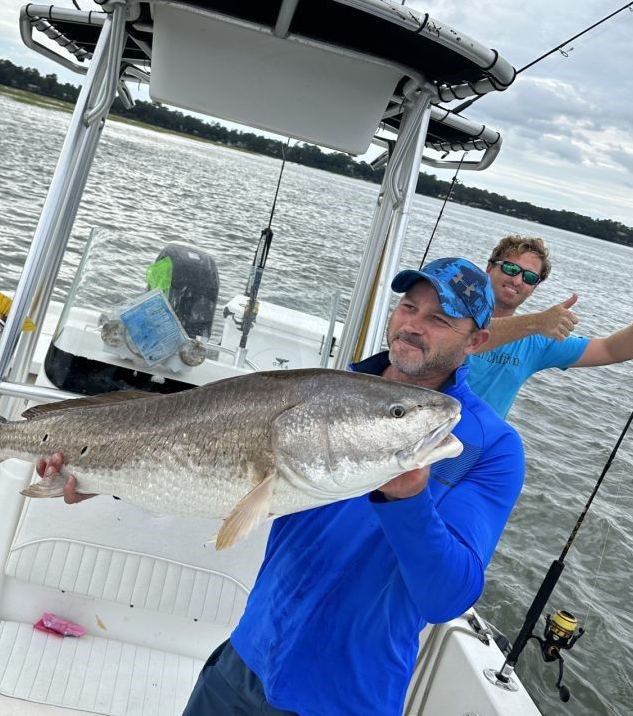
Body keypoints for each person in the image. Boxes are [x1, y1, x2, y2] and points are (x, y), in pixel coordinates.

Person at [38, 257, 525, 716]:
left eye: (440, 319)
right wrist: (104, 474)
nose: (414, 325)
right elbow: (207, 463)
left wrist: (409, 499)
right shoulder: (323, 390)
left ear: (476, 341)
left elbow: (447, 598)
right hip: (244, 661)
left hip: (345, 696)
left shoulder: (488, 447)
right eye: (409, 307)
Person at [467, 234, 633, 420]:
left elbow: (612, 351)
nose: (517, 280)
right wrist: (537, 322)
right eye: (511, 268)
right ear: (489, 268)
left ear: (534, 288)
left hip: (478, 447)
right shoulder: (448, 313)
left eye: (529, 277)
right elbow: (466, 337)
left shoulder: (536, 342)